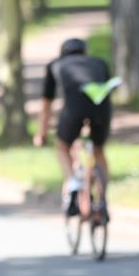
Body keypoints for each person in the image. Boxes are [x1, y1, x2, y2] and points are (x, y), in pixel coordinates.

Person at [34, 37, 113, 217]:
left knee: (62, 146)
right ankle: (102, 200)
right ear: (85, 52)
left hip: (74, 110)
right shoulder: (100, 63)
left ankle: (73, 182)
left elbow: (46, 105)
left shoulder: (55, 65)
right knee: (98, 150)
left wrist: (42, 133)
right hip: (102, 109)